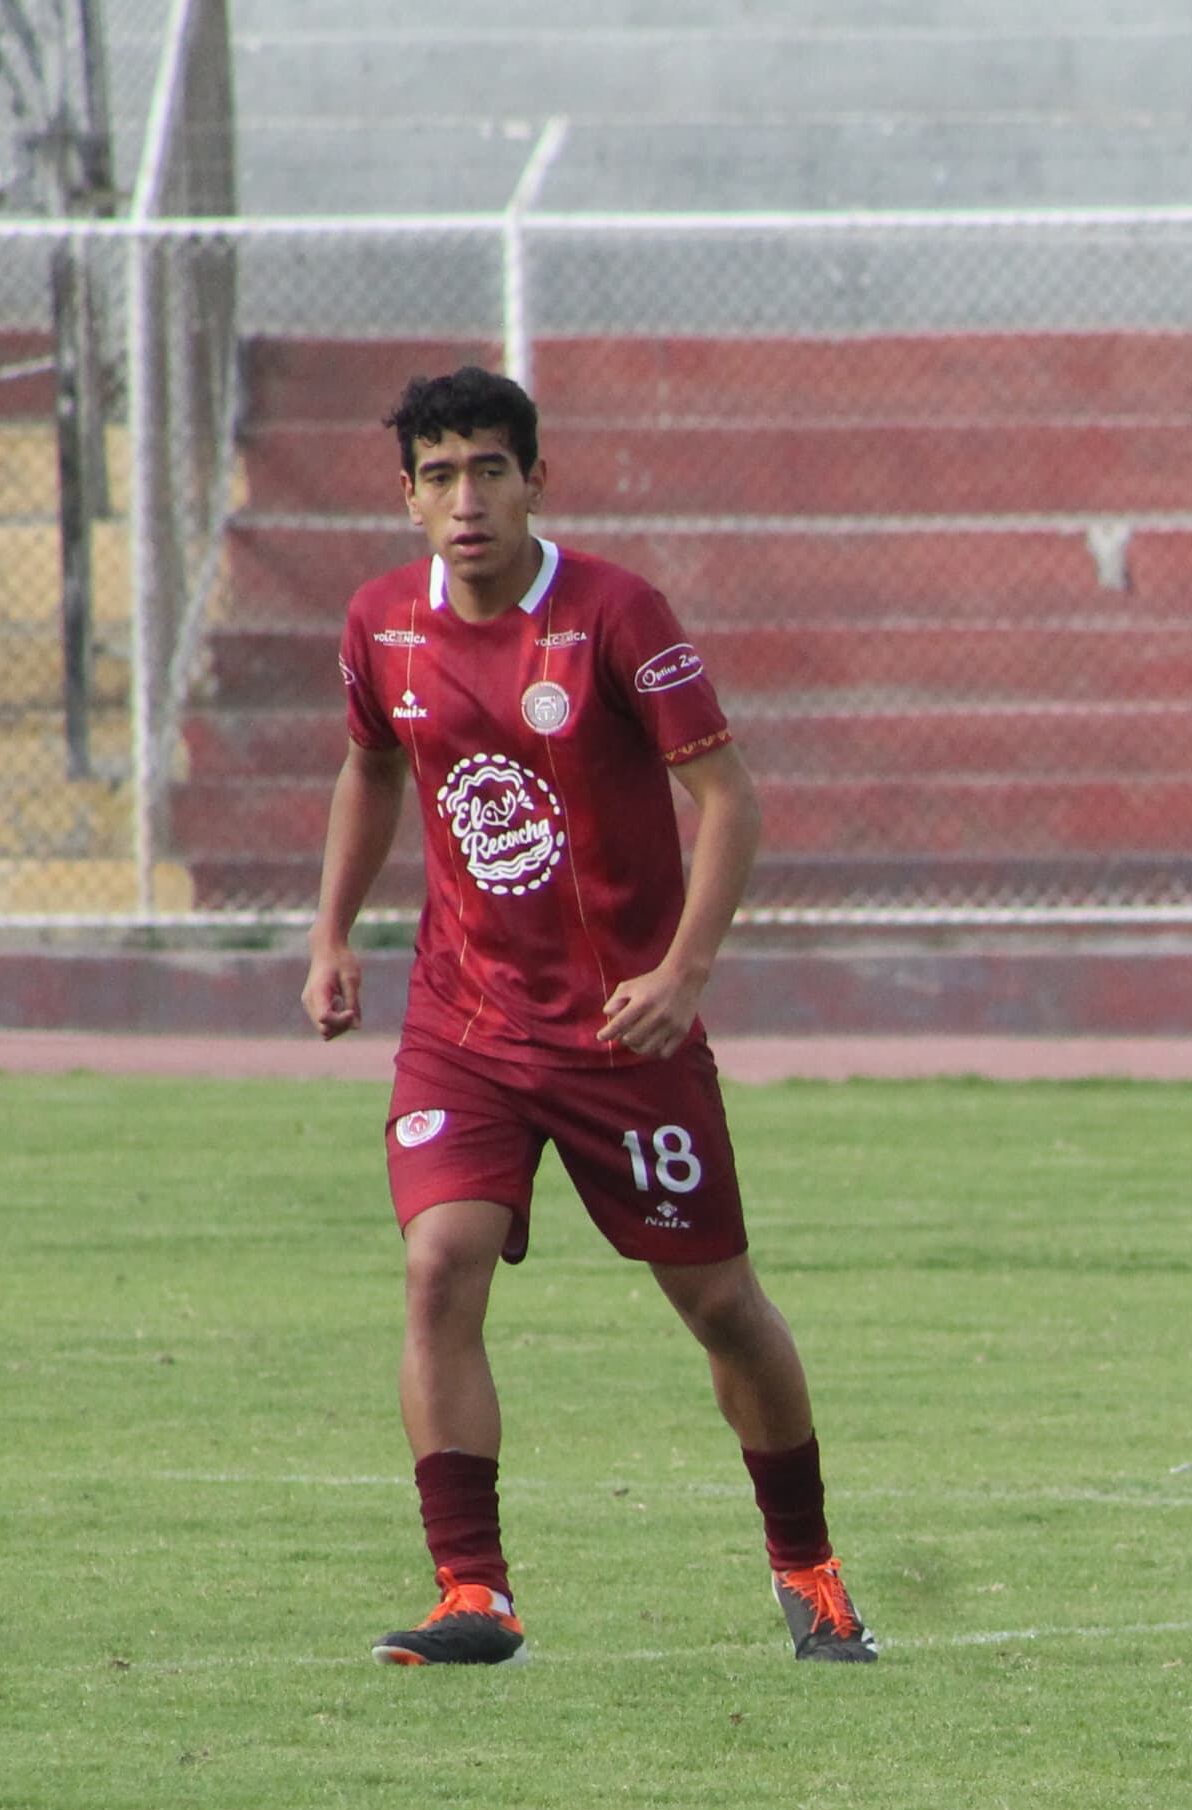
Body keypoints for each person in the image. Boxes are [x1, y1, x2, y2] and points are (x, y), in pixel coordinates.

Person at [301, 366, 869, 1667]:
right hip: (466, 1020)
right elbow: (371, 766)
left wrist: (683, 974)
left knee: (721, 1306)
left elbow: (727, 801)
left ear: (533, 480)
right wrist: (332, 933)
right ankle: (473, 1593)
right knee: (439, 1263)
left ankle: (811, 1569)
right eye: (439, 476)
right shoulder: (381, 623)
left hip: (624, 1032)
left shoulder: (616, 615)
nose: (466, 500)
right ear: (407, 498)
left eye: (489, 471)